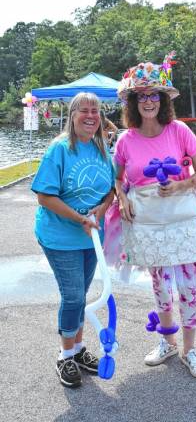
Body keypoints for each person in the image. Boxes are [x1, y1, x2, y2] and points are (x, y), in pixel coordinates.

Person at [106, 55, 196, 380]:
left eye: (154, 95)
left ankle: (190, 349)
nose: (149, 101)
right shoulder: (126, 140)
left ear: (163, 100)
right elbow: (116, 177)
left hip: (182, 216)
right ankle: (167, 342)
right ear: (133, 101)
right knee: (160, 284)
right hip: (149, 221)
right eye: (142, 95)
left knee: (187, 284)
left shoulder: (179, 130)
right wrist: (122, 195)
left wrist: (181, 184)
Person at [31, 92, 115, 388]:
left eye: (96, 111)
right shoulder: (59, 149)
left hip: (91, 237)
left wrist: (102, 209)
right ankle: (65, 355)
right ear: (73, 115)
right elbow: (44, 196)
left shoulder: (102, 147)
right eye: (84, 111)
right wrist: (80, 218)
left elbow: (112, 189)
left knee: (80, 293)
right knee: (74, 296)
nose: (91, 115)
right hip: (60, 235)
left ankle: (78, 351)